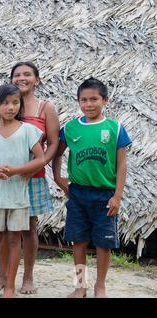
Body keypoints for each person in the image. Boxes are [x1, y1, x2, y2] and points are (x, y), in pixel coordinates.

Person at [52, 78, 131, 298]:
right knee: (78, 241)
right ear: (78, 102)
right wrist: (58, 178)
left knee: (103, 244)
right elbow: (57, 154)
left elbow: (122, 163)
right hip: (78, 193)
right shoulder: (71, 128)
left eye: (94, 99)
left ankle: (100, 286)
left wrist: (117, 195)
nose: (89, 104)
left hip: (105, 195)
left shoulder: (115, 129)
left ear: (104, 100)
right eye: (84, 100)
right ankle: (80, 285)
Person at [0, 62, 60, 294]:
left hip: (33, 177)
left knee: (28, 227)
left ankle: (27, 277)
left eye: (27, 74)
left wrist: (37, 165)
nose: (22, 78)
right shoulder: (4, 106)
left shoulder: (45, 107)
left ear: (37, 79)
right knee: (1, 229)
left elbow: (54, 143)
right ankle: (3, 276)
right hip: (5, 178)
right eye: (17, 75)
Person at [0, 84, 45, 298]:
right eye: (5, 103)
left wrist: (16, 171)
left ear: (20, 105)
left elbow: (41, 159)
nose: (10, 107)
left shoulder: (29, 131)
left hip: (18, 196)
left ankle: (11, 286)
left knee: (15, 239)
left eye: (15, 103)